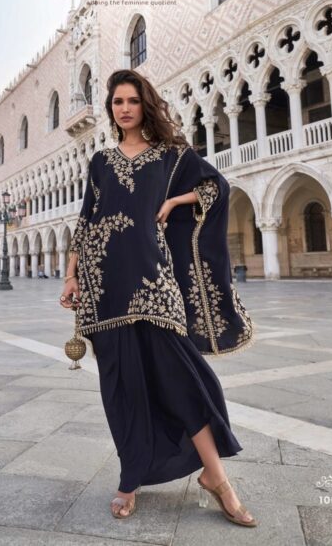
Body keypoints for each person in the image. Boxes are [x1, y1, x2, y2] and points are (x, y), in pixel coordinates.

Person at [59, 69, 258, 528]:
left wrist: (174, 202)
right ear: (110, 109)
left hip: (155, 284)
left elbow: (216, 187)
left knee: (185, 380)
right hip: (106, 288)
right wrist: (71, 276)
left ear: (145, 105)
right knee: (123, 389)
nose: (124, 109)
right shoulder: (101, 162)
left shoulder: (171, 155)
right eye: (117, 102)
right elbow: (86, 221)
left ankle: (217, 478)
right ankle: (130, 480)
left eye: (132, 100)